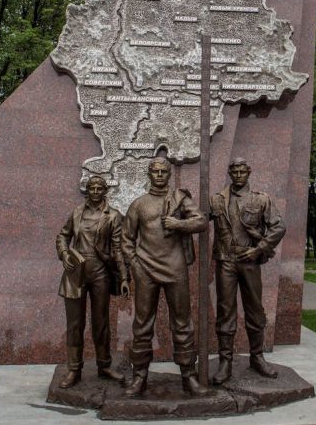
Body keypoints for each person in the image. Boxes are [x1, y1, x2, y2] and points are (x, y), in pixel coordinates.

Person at [121, 157, 208, 397]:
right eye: (155, 171)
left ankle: (188, 375)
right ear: (149, 174)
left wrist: (178, 224)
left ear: (169, 174)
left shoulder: (180, 199)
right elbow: (126, 238)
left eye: (163, 172)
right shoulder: (139, 204)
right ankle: (139, 376)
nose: (159, 175)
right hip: (145, 269)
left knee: (182, 322)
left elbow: (201, 221)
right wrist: (135, 264)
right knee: (142, 324)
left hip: (175, 268)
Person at [210, 157, 286, 384]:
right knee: (225, 311)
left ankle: (257, 357)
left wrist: (259, 249)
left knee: (254, 309)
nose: (238, 175)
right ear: (230, 173)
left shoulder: (261, 199)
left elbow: (279, 226)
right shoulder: (217, 199)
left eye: (242, 171)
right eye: (235, 172)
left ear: (249, 172)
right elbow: (199, 220)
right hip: (226, 260)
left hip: (249, 261)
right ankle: (225, 362)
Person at [56, 174, 130, 388]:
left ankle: (104, 365)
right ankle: (74, 369)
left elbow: (118, 249)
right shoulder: (76, 213)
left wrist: (124, 277)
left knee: (101, 322)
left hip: (100, 273)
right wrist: (64, 253)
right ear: (86, 191)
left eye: (99, 188)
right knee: (74, 323)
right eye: (92, 188)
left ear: (105, 191)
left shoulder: (113, 216)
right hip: (75, 273)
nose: (95, 192)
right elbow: (63, 236)